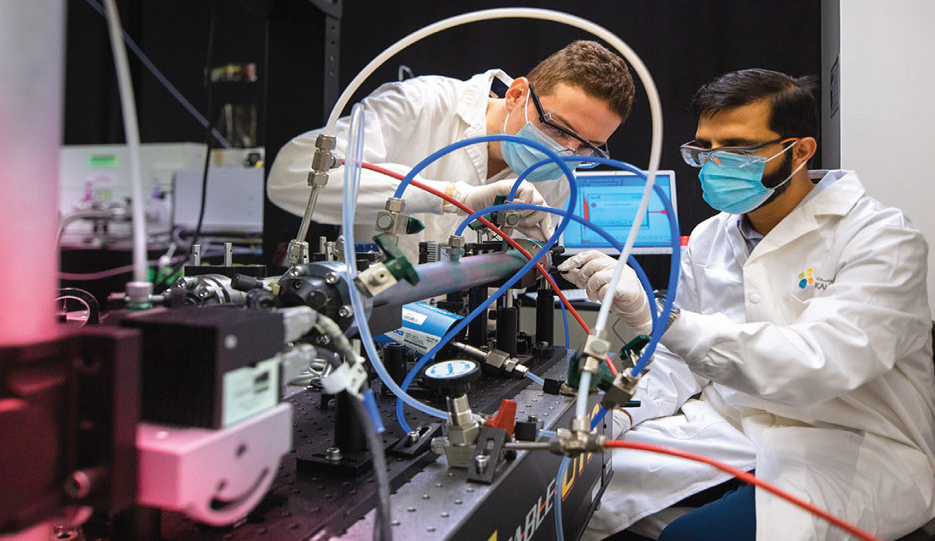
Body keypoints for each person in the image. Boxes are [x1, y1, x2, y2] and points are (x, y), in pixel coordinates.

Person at [564, 69, 935, 540]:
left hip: (849, 440)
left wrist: (667, 320)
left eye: (737, 150)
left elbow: (821, 363)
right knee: (574, 485)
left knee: (695, 536)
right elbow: (683, 367)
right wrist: (617, 410)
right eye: (705, 149)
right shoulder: (711, 235)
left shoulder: (881, 238)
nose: (715, 165)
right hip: (729, 427)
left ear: (800, 151)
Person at [267, 40, 635, 261]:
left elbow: (518, 274)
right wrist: (455, 197)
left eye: (587, 146)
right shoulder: (421, 105)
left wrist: (532, 259)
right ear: (517, 94)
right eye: (557, 128)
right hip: (371, 325)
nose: (565, 152)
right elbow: (290, 176)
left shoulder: (559, 178)